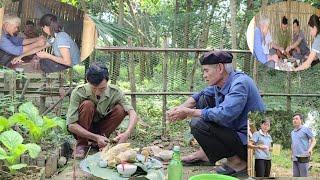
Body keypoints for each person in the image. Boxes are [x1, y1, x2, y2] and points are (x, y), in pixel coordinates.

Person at [166, 51, 265, 176]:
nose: (204, 75)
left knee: (198, 123)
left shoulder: (240, 83)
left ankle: (238, 163)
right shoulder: (221, 83)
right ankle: (205, 153)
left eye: (206, 71)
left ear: (219, 68)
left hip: (252, 146)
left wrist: (189, 112)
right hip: (237, 137)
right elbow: (200, 96)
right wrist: (179, 109)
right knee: (204, 99)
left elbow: (224, 114)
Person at [66, 64, 138, 158]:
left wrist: (127, 133)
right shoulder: (78, 92)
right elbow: (71, 125)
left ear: (107, 81)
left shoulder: (115, 92)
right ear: (88, 81)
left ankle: (100, 142)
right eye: (93, 88)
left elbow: (132, 113)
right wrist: (95, 137)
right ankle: (82, 145)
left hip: (102, 129)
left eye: (102, 88)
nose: (97, 92)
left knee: (121, 109)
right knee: (88, 105)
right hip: (82, 129)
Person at [12, 14, 80, 73]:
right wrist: (20, 56)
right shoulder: (54, 38)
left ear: (46, 27)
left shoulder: (61, 37)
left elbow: (68, 62)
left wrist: (48, 55)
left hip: (71, 67)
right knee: (44, 61)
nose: (43, 30)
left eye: (42, 27)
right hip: (64, 65)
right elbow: (37, 48)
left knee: (45, 62)